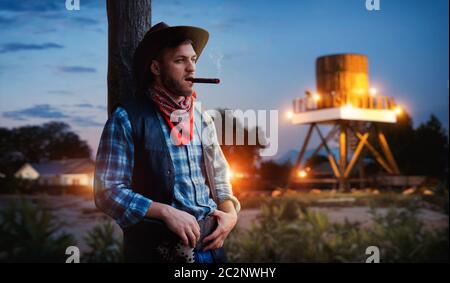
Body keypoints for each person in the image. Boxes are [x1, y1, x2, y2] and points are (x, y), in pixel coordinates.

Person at [94, 22, 240, 263]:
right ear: (156, 67)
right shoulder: (127, 118)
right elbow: (107, 191)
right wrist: (164, 211)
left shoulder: (203, 119)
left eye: (193, 59)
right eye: (180, 61)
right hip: (160, 253)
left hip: (213, 249)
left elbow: (220, 177)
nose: (191, 68)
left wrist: (230, 213)